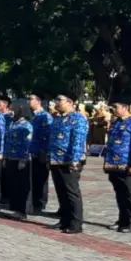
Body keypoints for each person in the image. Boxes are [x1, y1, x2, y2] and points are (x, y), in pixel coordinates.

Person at [48, 93, 89, 234]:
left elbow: (77, 140)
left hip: (70, 160)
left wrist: (75, 160)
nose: (56, 102)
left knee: (71, 192)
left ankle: (76, 223)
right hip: (56, 159)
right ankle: (65, 219)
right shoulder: (58, 118)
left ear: (70, 102)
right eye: (56, 99)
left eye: (59, 100)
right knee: (61, 191)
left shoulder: (77, 118)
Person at [104, 97, 131, 233]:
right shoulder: (116, 123)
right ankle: (122, 219)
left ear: (125, 107)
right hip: (114, 165)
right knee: (120, 194)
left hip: (128, 165)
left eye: (116, 107)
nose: (113, 110)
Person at [4, 101, 34, 220]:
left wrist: (23, 159)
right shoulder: (13, 124)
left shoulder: (26, 125)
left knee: (22, 185)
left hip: (21, 160)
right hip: (11, 158)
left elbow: (27, 144)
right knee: (13, 185)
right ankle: (15, 208)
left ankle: (22, 211)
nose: (11, 111)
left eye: (13, 109)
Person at [28, 94, 53, 214]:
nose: (29, 101)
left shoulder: (45, 116)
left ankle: (40, 203)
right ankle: (34, 201)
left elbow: (48, 136)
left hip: (41, 152)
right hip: (32, 151)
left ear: (38, 101)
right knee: (34, 178)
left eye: (31, 99)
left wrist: (44, 151)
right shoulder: (33, 116)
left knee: (41, 178)